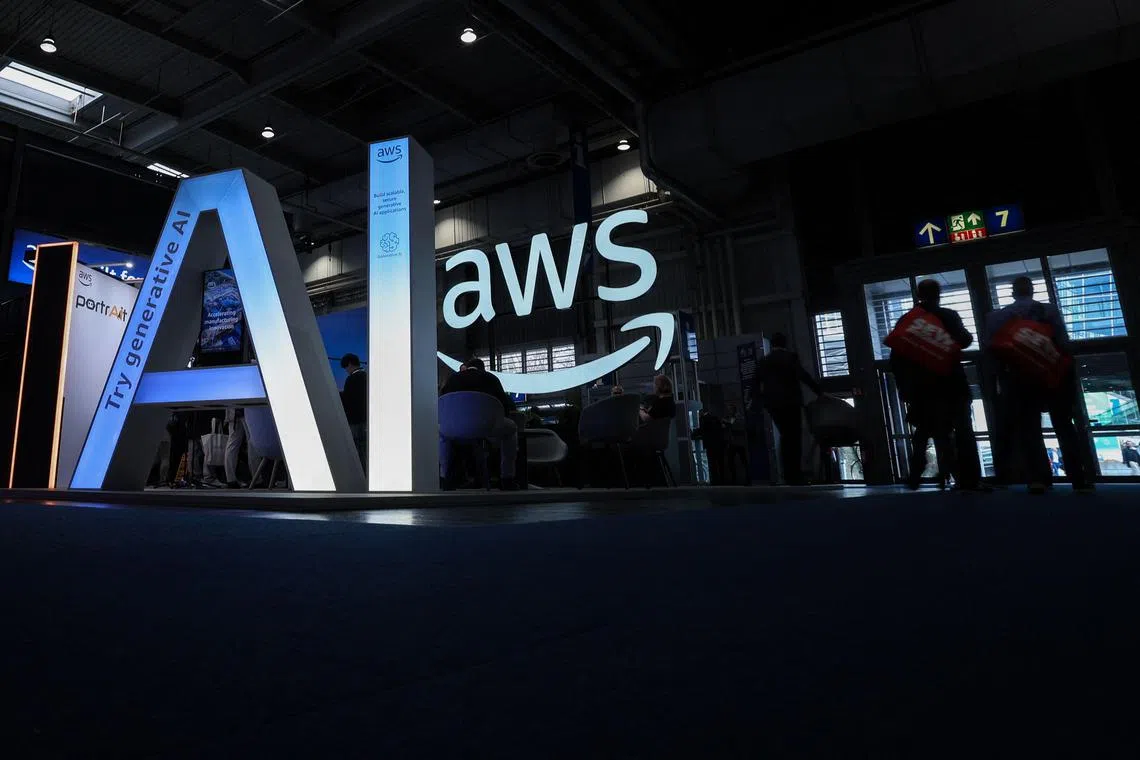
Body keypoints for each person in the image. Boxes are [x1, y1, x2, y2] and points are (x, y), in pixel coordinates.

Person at [983, 276, 1092, 493]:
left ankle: (1038, 479)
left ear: (1013, 293)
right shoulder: (1049, 311)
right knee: (1064, 426)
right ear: (1032, 291)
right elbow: (1062, 343)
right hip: (1052, 376)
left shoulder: (1000, 316)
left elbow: (991, 347)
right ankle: (1078, 479)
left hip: (1020, 379)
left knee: (1029, 429)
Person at [889, 279, 984, 491]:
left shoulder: (908, 320)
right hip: (952, 384)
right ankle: (968, 478)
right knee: (962, 431)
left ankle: (916, 473)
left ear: (917, 294)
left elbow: (897, 357)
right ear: (939, 293)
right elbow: (965, 340)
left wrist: (905, 387)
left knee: (925, 430)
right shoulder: (948, 316)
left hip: (923, 388)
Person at [750, 332, 821, 485]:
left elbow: (755, 384)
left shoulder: (764, 361)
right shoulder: (791, 358)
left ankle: (787, 474)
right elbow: (804, 376)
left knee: (785, 435)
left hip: (773, 405)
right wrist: (820, 392)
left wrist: (758, 402)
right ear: (785, 344)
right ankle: (794, 475)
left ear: (773, 345)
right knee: (794, 437)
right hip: (791, 402)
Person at [439, 357, 519, 489]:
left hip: (455, 427)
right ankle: (507, 478)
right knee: (511, 429)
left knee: (442, 434)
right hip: (486, 426)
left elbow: (442, 404)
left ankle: (444, 477)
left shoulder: (453, 379)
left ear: (468, 367)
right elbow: (504, 406)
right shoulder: (491, 378)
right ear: (482, 368)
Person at [340, 353, 367, 470]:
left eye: (346, 367)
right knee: (365, 449)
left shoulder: (351, 379)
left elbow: (347, 400)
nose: (346, 370)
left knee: (356, 450)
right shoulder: (367, 376)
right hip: (366, 420)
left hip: (354, 421)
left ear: (350, 364)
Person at [723, 403, 750, 484]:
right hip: (733, 443)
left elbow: (737, 426)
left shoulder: (738, 417)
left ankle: (747, 478)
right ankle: (734, 479)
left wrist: (727, 423)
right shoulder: (730, 417)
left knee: (743, 461)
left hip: (739, 443)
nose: (729, 411)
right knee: (731, 461)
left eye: (730, 409)